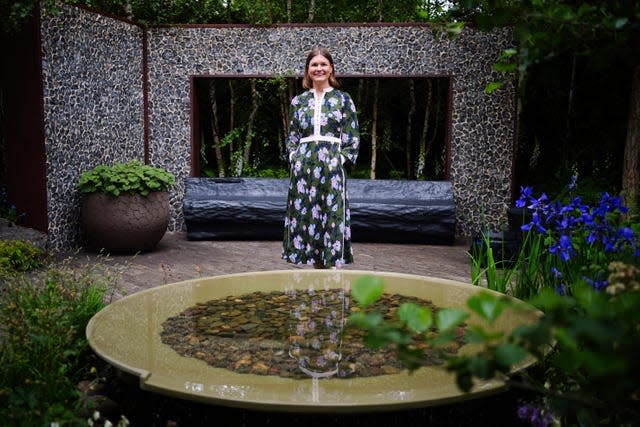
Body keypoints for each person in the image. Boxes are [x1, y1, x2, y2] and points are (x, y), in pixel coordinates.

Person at [282, 47, 360, 269]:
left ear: (331, 68)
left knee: (331, 215)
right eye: (314, 65)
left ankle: (330, 271)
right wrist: (294, 157)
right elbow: (293, 137)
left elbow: (352, 137)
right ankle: (311, 272)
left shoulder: (343, 100)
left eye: (323, 64)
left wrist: (341, 160)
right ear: (307, 70)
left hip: (332, 168)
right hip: (304, 168)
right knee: (306, 215)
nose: (319, 69)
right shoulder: (298, 102)